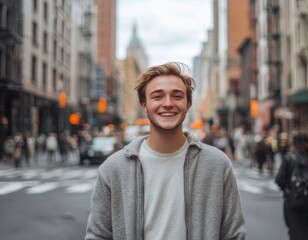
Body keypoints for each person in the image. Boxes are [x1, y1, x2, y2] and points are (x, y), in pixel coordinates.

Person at [85, 62, 246, 239]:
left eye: (177, 96)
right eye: (157, 97)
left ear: (188, 104)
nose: (168, 103)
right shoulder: (113, 168)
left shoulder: (218, 164)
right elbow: (98, 235)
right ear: (144, 104)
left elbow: (233, 235)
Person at [275, 133, 308, 240]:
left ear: (294, 144)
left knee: (294, 230)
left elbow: (278, 180)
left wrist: (287, 188)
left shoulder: (288, 159)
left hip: (291, 201)